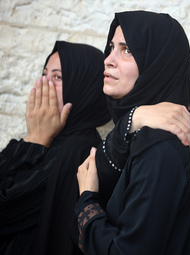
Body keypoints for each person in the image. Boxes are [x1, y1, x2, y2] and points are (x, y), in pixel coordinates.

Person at [75, 11, 190, 255]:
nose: (108, 59)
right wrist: (135, 117)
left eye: (127, 50)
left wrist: (87, 202)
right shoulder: (141, 137)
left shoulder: (161, 151)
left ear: (156, 65)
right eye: (111, 47)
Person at [0, 41, 111, 255]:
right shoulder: (57, 141)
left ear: (83, 88)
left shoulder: (77, 150)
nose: (44, 84)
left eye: (58, 77)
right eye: (44, 74)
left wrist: (33, 140)